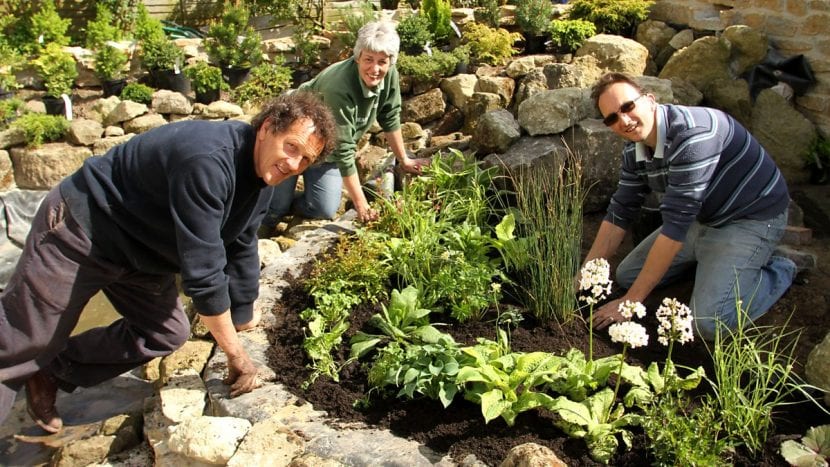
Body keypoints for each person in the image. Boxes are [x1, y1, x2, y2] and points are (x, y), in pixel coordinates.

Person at [0, 92, 336, 433]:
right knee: (23, 340)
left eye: (306, 160)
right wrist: (236, 355)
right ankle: (33, 358)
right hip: (84, 226)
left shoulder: (264, 178)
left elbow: (241, 243)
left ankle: (51, 370)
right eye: (292, 147)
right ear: (266, 128)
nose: (294, 165)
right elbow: (204, 273)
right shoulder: (208, 160)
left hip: (141, 250)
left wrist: (244, 311)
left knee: (165, 333)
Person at [583, 72, 796, 340]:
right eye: (612, 118)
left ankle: (780, 269)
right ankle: (714, 262)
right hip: (702, 218)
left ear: (649, 99)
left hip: (749, 218)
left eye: (627, 106)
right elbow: (620, 211)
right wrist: (585, 274)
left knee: (709, 323)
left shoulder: (693, 135)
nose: (623, 120)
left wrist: (631, 303)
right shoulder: (634, 150)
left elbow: (674, 227)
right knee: (627, 276)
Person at [262, 21, 432, 227]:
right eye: (369, 59)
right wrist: (362, 205)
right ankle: (269, 208)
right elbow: (344, 150)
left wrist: (404, 159)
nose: (375, 68)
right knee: (274, 210)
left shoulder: (390, 75)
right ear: (357, 57)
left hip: (324, 148)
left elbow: (390, 115)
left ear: (391, 62)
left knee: (323, 209)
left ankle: (290, 195)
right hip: (293, 138)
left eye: (382, 61)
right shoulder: (339, 87)